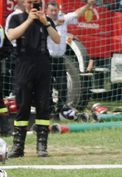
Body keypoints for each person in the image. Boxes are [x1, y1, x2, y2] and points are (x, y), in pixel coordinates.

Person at [7, 0, 60, 158]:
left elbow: (57, 39)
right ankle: (18, 147)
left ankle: (42, 146)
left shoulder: (46, 20)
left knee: (43, 106)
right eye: (30, 3)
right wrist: (29, 20)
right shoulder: (16, 18)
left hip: (43, 65)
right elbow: (11, 35)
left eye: (36, 3)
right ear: (24, 3)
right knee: (22, 106)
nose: (33, 6)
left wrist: (46, 23)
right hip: (24, 65)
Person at [46, 0, 94, 117]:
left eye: (55, 10)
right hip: (47, 58)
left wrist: (88, 5)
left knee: (62, 85)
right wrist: (56, 23)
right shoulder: (43, 20)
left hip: (59, 58)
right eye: (51, 10)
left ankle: (61, 109)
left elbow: (77, 13)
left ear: (58, 10)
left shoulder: (63, 18)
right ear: (47, 11)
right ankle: (49, 110)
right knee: (47, 86)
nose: (53, 12)